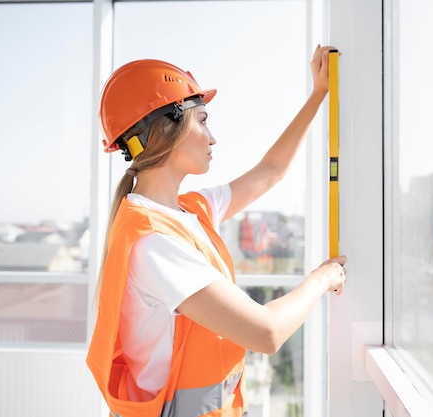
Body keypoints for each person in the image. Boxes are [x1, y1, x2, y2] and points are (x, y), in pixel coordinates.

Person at [86, 44, 347, 417]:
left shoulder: (189, 210)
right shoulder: (153, 242)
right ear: (166, 130)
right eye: (203, 120)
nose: (212, 137)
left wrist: (318, 95)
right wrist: (322, 278)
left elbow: (270, 170)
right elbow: (267, 333)